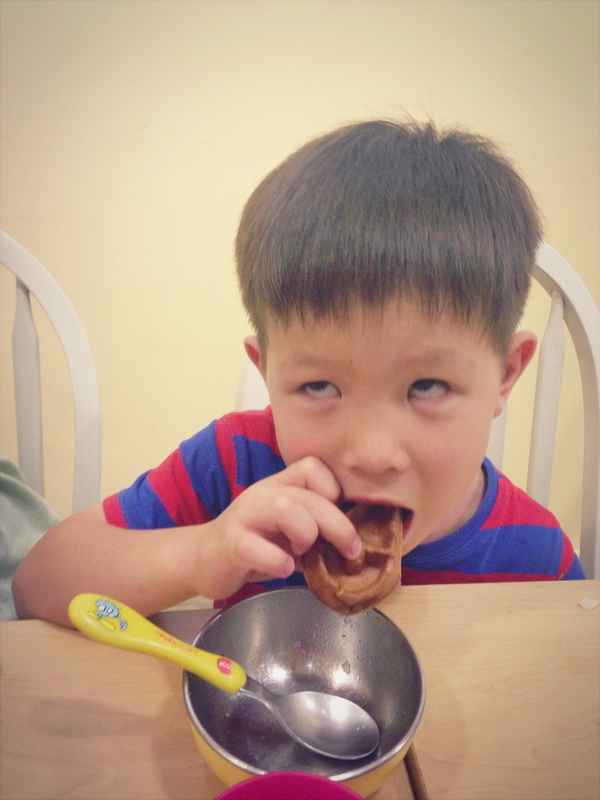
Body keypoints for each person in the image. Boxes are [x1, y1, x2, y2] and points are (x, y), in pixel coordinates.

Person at [12, 119, 585, 627]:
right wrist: (198, 555)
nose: (371, 454)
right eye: (320, 386)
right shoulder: (234, 466)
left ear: (505, 376)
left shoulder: (536, 556)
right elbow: (38, 582)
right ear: (265, 372)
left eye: (427, 387)